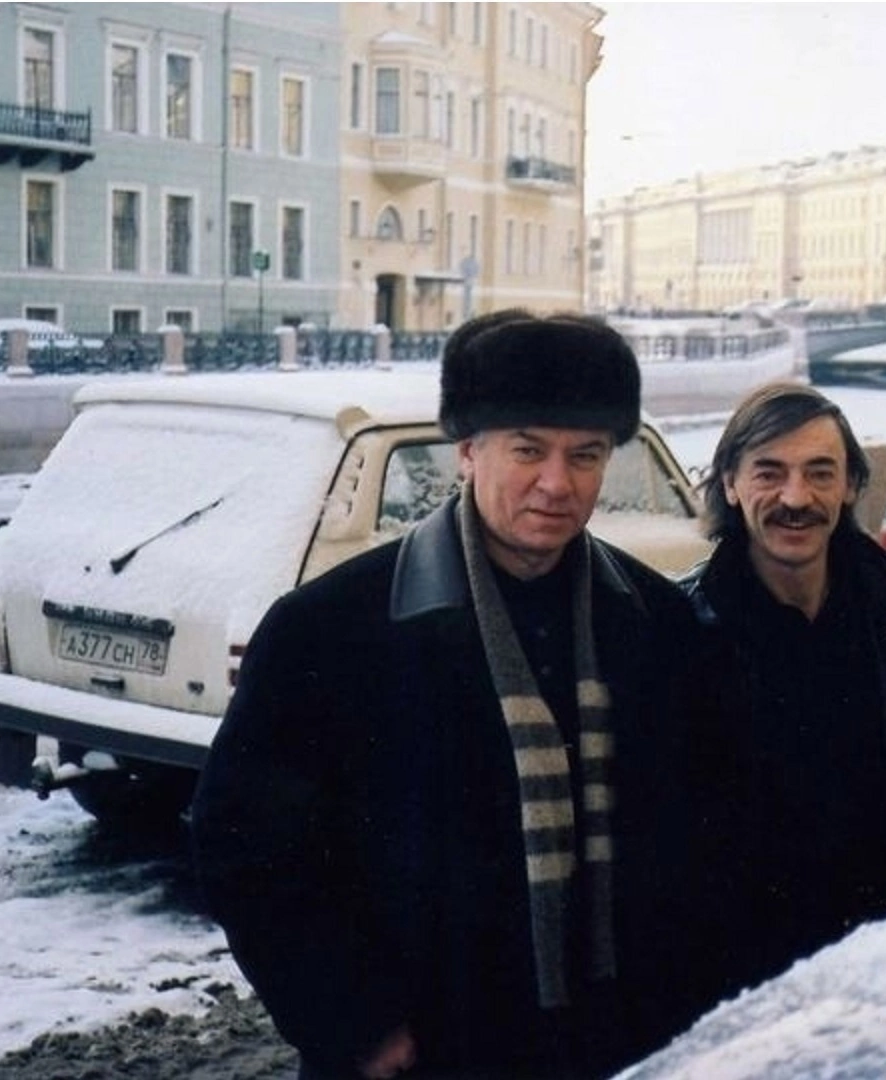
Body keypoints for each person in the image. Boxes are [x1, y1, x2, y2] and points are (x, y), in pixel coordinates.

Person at [191, 310, 724, 1080]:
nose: (556, 482)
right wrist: (358, 1022)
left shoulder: (656, 622)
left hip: (615, 1041)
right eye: (528, 450)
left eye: (585, 454)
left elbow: (706, 835)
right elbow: (246, 848)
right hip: (424, 1052)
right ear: (468, 451)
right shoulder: (332, 629)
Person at [680, 380, 886, 994]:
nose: (795, 497)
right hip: (745, 981)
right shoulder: (679, 631)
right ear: (729, 483)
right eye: (769, 473)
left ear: (853, 484)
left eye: (820, 473)